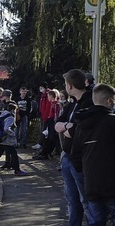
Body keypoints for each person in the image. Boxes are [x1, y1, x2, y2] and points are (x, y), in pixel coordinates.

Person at [54, 69, 95, 225]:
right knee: (72, 200)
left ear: (70, 86)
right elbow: (58, 124)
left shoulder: (88, 101)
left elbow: (77, 131)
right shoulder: (73, 103)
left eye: (65, 84)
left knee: (85, 200)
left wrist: (66, 128)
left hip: (79, 159)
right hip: (67, 156)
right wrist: (65, 126)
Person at [74, 83, 115, 225]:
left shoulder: (81, 123)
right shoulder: (111, 121)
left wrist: (85, 170)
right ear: (110, 101)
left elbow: (75, 155)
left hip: (91, 183)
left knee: (96, 220)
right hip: (111, 184)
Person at [0, 101, 28, 176]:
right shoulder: (10, 117)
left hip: (1, 138)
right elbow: (6, 128)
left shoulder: (3, 114)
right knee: (14, 155)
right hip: (7, 140)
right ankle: (17, 170)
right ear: (13, 109)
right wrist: (13, 134)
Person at [34, 89, 62, 160]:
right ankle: (44, 153)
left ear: (51, 96)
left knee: (51, 138)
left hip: (52, 122)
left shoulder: (56, 104)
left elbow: (55, 115)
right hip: (50, 121)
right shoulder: (53, 104)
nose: (48, 98)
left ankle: (46, 153)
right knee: (48, 138)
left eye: (48, 96)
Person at [33, 82, 52, 150]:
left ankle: (41, 143)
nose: (40, 88)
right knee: (42, 129)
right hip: (42, 115)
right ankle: (41, 143)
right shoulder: (43, 94)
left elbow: (47, 106)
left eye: (41, 87)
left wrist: (45, 116)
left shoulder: (47, 94)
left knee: (44, 130)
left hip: (46, 116)